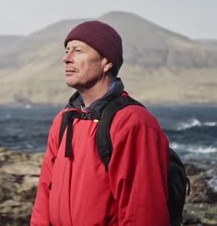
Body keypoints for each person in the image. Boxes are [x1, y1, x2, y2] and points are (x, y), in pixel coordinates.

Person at [30, 20, 170, 226]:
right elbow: (44, 196)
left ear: (107, 62)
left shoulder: (134, 123)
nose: (66, 58)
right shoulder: (64, 120)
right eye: (67, 50)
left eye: (78, 51)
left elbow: (144, 214)